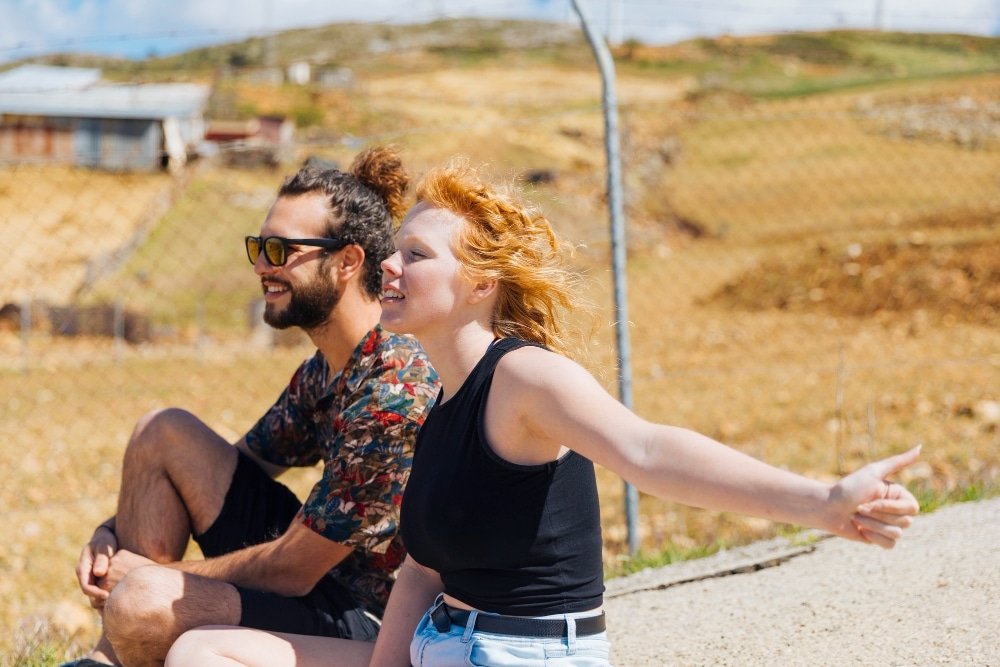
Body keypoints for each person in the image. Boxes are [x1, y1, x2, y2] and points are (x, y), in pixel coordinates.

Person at [163, 160, 921, 667]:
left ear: (481, 283)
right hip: (436, 646)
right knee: (201, 651)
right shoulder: (439, 394)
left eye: (415, 256)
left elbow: (648, 451)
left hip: (515, 655)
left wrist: (824, 501)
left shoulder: (523, 378)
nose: (388, 265)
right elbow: (424, 568)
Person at [63, 146, 440, 667]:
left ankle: (131, 630)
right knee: (164, 433)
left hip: (375, 618)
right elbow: (236, 465)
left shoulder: (392, 384)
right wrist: (110, 534)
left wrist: (158, 577)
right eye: (259, 247)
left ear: (348, 261)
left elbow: (293, 570)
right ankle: (107, 658)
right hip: (322, 579)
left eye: (281, 250)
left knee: (144, 602)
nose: (262, 265)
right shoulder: (327, 367)